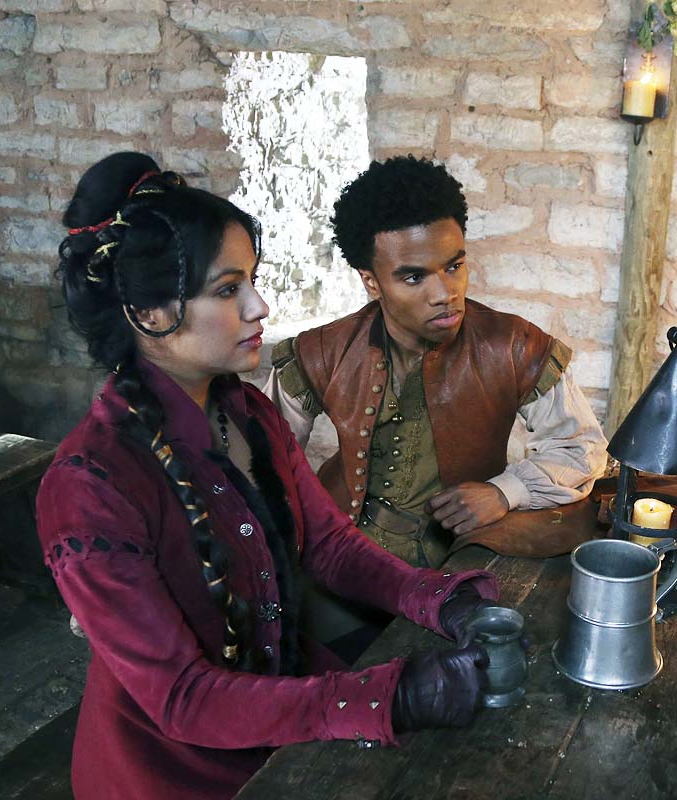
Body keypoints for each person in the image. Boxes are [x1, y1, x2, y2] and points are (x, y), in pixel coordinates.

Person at [38, 152, 507, 800]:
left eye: (252, 281)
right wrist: (393, 696)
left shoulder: (247, 412)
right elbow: (183, 698)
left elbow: (329, 545)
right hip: (176, 772)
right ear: (149, 313)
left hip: (285, 708)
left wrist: (440, 599)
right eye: (227, 289)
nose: (260, 306)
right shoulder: (90, 486)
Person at [263, 155, 608, 569]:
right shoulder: (321, 351)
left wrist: (504, 492)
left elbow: (581, 447)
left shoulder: (513, 344)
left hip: (459, 558)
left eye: (454, 266)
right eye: (414, 277)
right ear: (371, 281)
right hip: (338, 555)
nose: (445, 293)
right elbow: (262, 461)